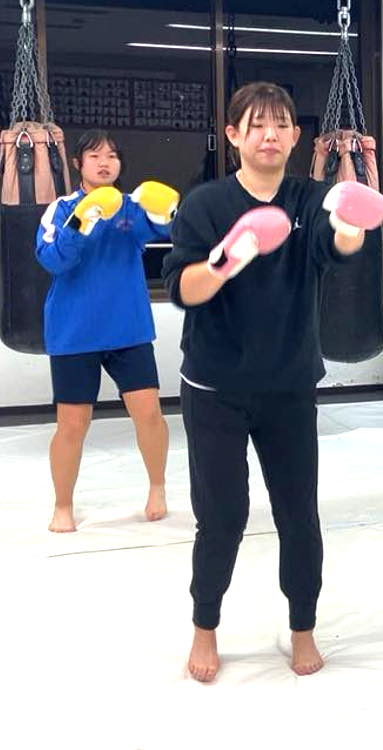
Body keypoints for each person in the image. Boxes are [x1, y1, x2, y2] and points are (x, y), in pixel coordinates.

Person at [161, 81, 383, 682]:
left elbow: (338, 250)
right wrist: (226, 258)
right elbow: (184, 290)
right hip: (215, 386)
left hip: (288, 384)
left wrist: (351, 225)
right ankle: (205, 626)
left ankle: (303, 628)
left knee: (298, 514)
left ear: (295, 136)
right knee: (223, 517)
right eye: (257, 124)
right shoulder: (206, 204)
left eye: (281, 124)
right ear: (234, 135)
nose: (270, 135)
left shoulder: (309, 198)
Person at [35, 130, 176, 532]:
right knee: (72, 424)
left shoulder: (132, 208)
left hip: (127, 328)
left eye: (112, 156)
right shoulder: (61, 209)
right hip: (74, 331)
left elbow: (172, 234)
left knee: (149, 413)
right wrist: (83, 221)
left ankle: (158, 487)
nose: (104, 162)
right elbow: (53, 261)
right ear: (78, 163)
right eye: (95, 155)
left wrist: (169, 212)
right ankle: (63, 504)